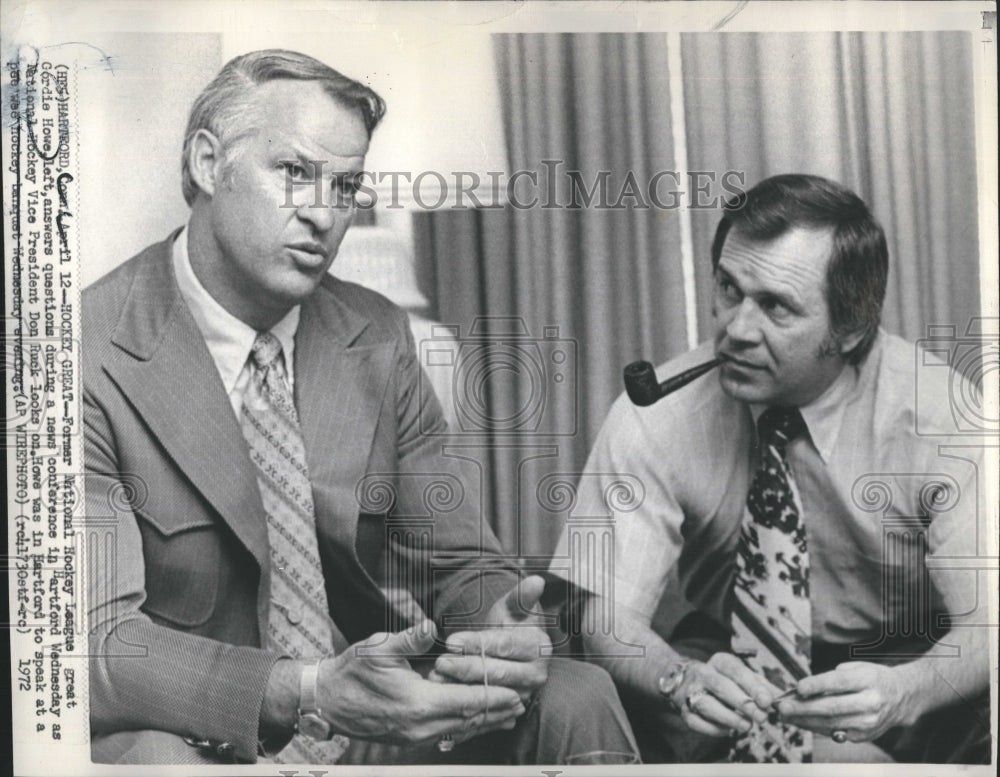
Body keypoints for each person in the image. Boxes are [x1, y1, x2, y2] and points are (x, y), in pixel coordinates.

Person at [82, 49, 638, 766]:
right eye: (294, 172)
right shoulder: (83, 353)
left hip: (362, 719)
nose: (322, 213)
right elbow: (98, 643)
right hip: (196, 728)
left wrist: (496, 627)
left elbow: (459, 564)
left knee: (576, 693)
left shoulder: (374, 333)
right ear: (206, 162)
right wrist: (307, 687)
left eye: (345, 186)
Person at [549, 174, 990, 763]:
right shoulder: (656, 415)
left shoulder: (943, 418)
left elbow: (989, 627)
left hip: (911, 664)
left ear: (850, 328)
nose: (735, 330)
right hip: (730, 662)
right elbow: (603, 613)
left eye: (775, 306)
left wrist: (904, 694)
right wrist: (677, 679)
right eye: (730, 290)